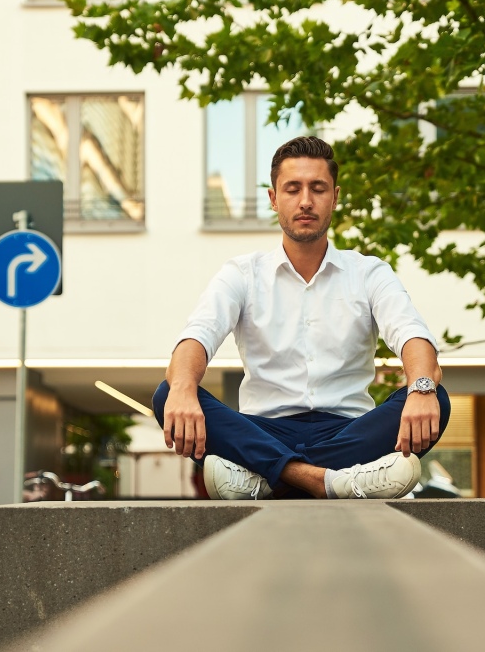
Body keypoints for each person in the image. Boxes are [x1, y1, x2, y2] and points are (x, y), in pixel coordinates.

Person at [152, 136, 451, 500]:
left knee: (438, 399)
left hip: (349, 431)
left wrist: (421, 387)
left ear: (335, 197)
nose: (306, 201)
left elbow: (412, 336)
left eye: (318, 188)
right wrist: (182, 389)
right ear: (274, 199)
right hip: (264, 430)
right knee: (168, 392)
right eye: (292, 189)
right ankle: (334, 480)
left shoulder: (369, 272)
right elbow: (196, 338)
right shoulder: (242, 274)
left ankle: (264, 476)